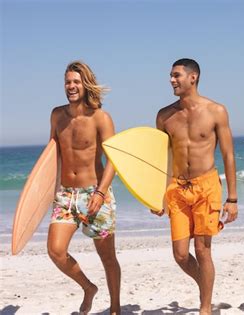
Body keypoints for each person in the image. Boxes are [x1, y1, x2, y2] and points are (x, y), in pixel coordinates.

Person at [153, 58, 238, 314]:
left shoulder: (216, 111)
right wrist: (155, 195)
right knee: (180, 254)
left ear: (193, 77)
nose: (171, 80)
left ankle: (205, 307)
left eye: (176, 75)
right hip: (177, 189)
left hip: (207, 186)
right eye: (170, 75)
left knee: (202, 250)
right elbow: (161, 158)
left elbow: (228, 154)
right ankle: (207, 288)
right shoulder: (164, 116)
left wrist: (232, 199)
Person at [47, 61, 121, 314]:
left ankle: (115, 309)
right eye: (68, 82)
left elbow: (114, 159)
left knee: (108, 259)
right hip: (66, 196)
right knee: (56, 252)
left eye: (76, 82)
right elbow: (52, 157)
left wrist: (101, 192)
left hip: (95, 194)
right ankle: (88, 288)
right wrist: (48, 191)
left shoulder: (100, 117)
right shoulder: (57, 115)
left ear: (86, 84)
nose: (71, 86)